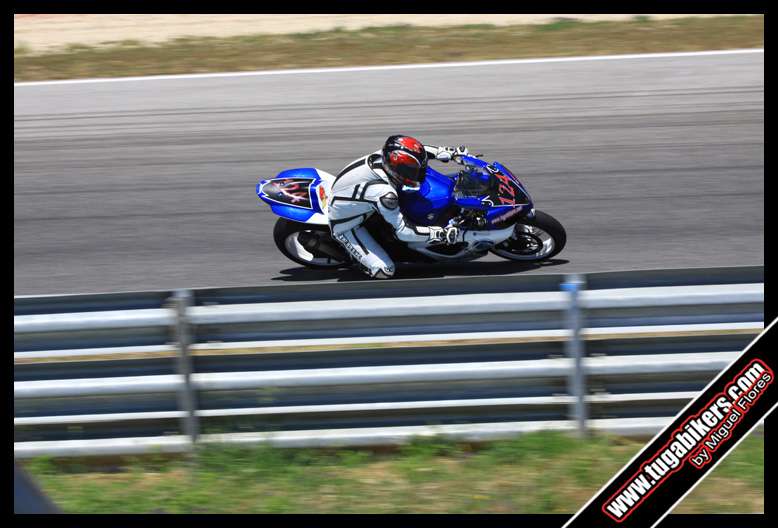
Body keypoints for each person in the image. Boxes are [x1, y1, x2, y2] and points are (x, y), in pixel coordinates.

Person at [328, 135, 469, 279]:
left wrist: (449, 153)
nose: (418, 173)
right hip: (347, 224)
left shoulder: (386, 155)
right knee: (384, 271)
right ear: (397, 170)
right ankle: (356, 256)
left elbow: (417, 152)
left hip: (352, 194)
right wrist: (440, 234)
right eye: (411, 170)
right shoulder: (385, 194)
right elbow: (403, 231)